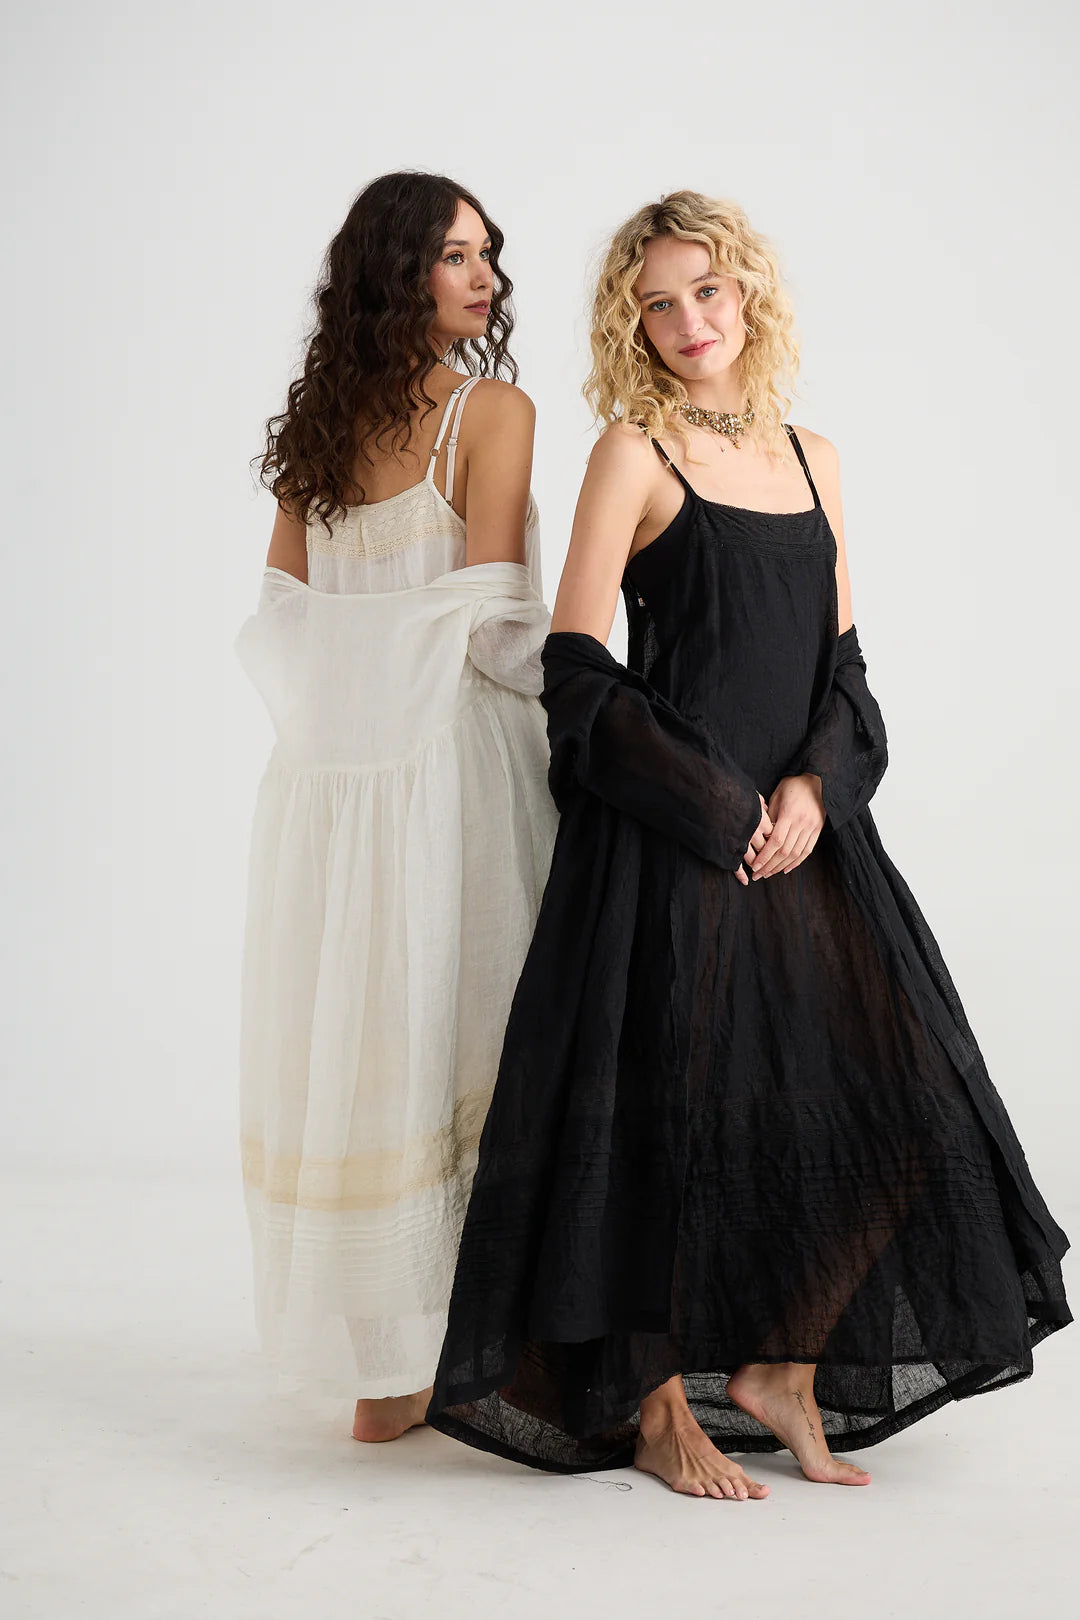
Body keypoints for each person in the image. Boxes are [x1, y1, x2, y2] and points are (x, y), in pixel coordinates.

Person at [425, 190, 1071, 1497]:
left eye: (706, 291)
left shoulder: (814, 455)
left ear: (749, 293)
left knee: (910, 1106)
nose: (688, 321)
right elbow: (575, 668)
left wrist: (817, 790)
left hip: (807, 841)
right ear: (634, 325)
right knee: (665, 1123)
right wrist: (716, 807)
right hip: (671, 838)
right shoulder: (634, 451)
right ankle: (660, 1407)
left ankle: (783, 1368)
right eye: (657, 304)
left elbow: (846, 668)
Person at [236, 171, 557, 1443]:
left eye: (489, 254)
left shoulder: (317, 429)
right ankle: (490, 1352)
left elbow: (285, 616)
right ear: (396, 270)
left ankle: (391, 1376)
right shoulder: (493, 410)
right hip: (453, 767)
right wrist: (603, 697)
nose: (486, 277)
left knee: (372, 1044)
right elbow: (498, 623)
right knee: (476, 1024)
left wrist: (360, 684)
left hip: (332, 789)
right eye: (455, 255)